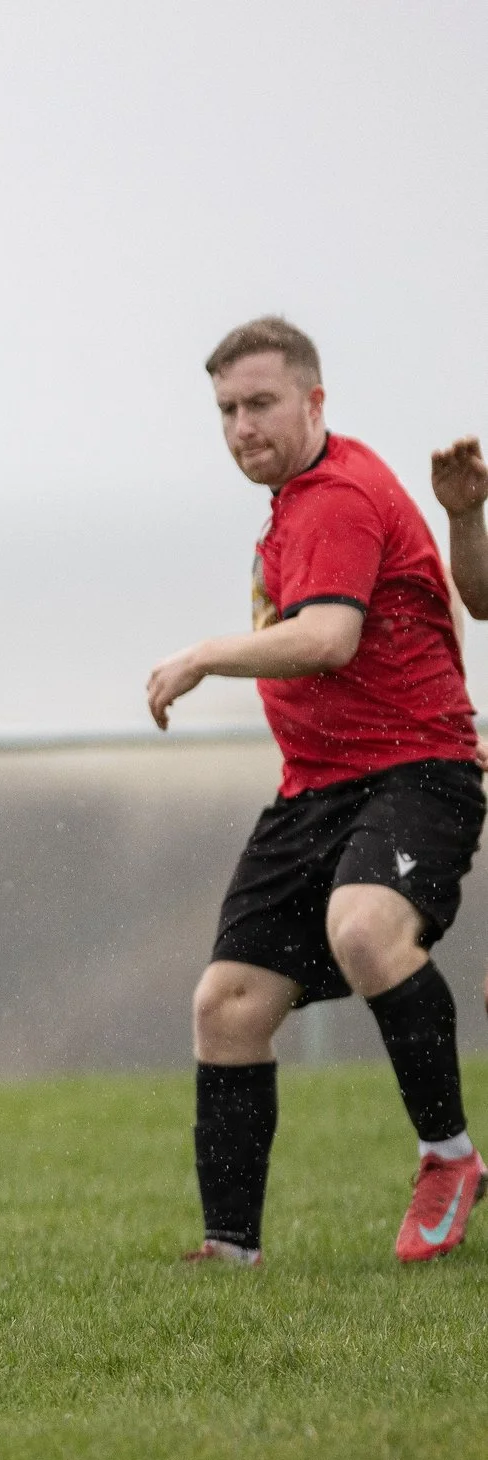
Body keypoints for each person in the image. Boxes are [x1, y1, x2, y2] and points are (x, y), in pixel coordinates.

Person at [146, 317, 484, 1267]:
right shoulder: (295, 502)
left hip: (417, 771)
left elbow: (329, 638)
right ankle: (230, 1250)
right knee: (229, 1004)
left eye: (260, 403)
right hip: (318, 793)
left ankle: (449, 1159)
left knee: (365, 929)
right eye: (226, 410)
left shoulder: (335, 495)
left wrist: (207, 653)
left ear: (313, 401)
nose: (242, 426)